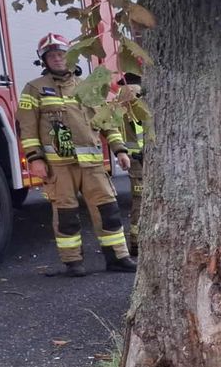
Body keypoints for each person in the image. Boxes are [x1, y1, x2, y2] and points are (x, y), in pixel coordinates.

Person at [17, 33, 137, 276]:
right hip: (59, 167)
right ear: (44, 60)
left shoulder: (89, 88)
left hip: (93, 166)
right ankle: (73, 262)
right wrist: (34, 158)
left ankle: (118, 258)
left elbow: (106, 122)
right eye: (52, 55)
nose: (57, 59)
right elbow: (27, 128)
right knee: (66, 215)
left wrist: (120, 150)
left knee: (108, 211)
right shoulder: (34, 88)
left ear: (71, 56)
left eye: (61, 54)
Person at [115, 73, 147, 256]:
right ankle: (137, 241)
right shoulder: (135, 93)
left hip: (133, 155)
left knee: (139, 198)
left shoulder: (121, 94)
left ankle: (137, 239)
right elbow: (140, 124)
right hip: (140, 156)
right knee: (141, 199)